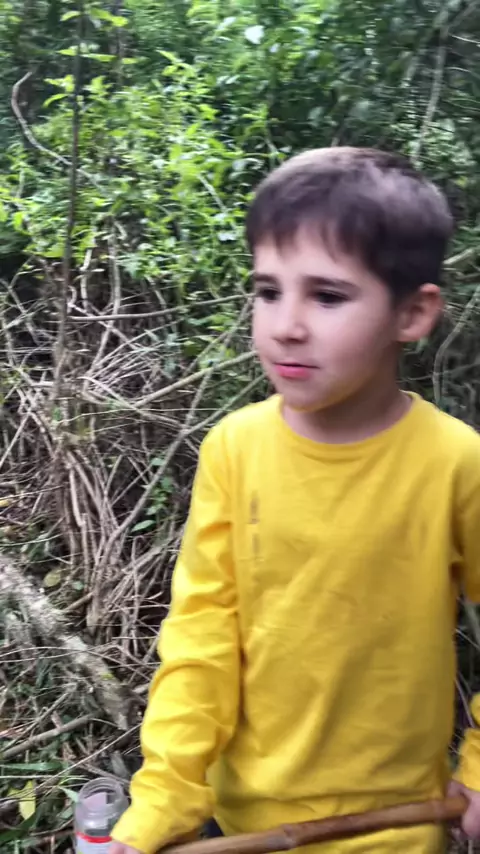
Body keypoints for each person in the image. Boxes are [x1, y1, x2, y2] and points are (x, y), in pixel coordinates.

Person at [110, 147, 480, 854]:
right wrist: (167, 793)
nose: (285, 325)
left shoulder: (455, 463)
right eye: (268, 290)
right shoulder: (234, 448)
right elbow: (202, 636)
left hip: (394, 827)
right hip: (237, 818)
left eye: (327, 296)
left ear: (412, 313)